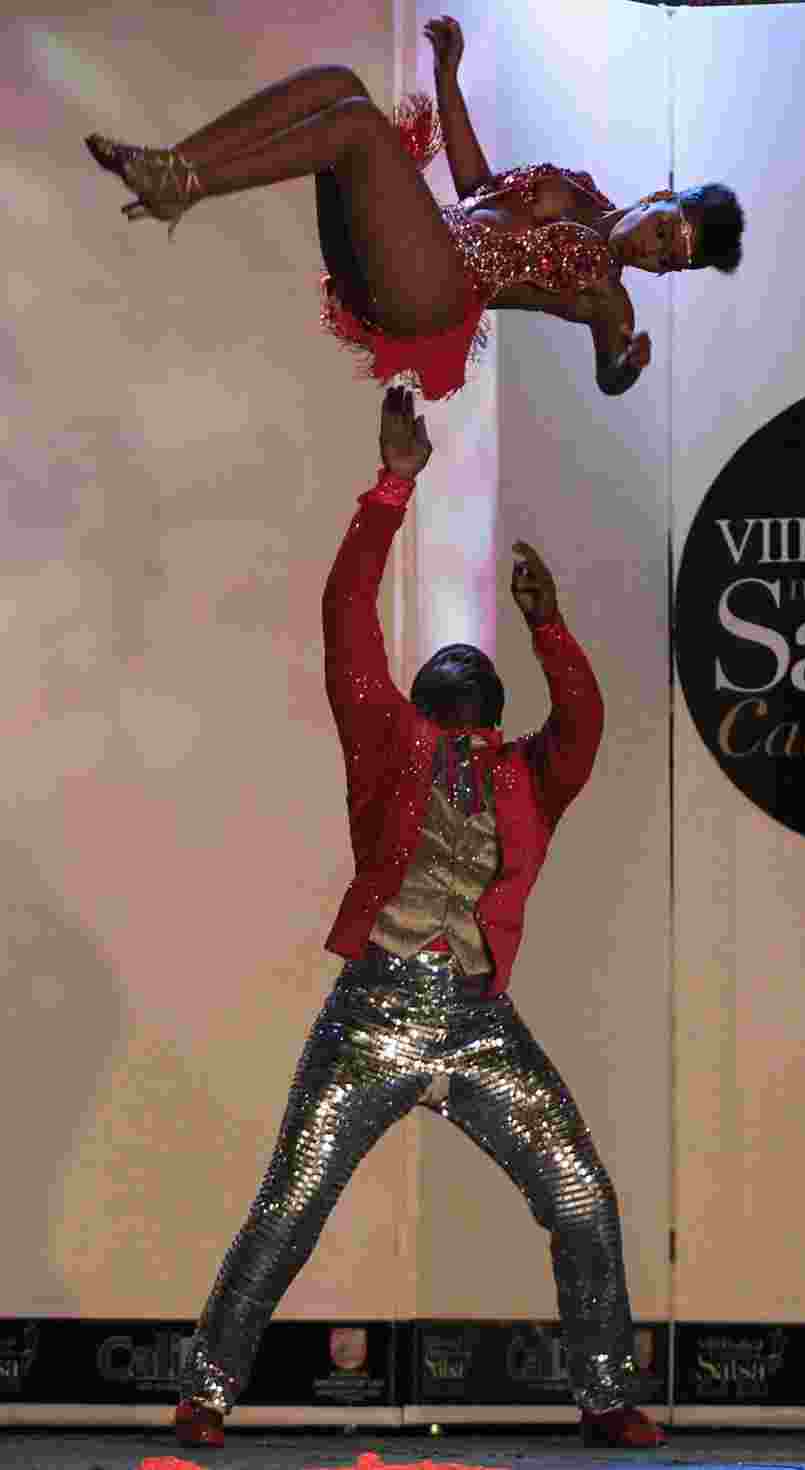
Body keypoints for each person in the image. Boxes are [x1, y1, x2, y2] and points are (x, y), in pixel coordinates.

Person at [172, 388, 665, 1451]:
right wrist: (390, 488)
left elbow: (582, 722)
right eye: (449, 670)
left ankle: (604, 1393)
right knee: (292, 1203)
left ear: (486, 707)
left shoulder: (529, 776)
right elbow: (347, 616)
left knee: (580, 1195)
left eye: (473, 677)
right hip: (372, 1018)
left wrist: (546, 625)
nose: (457, 672)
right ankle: (207, 1389)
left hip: (483, 1023)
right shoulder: (387, 749)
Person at [84, 16, 743, 400]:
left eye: (666, 263)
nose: (650, 253)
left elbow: (609, 372)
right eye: (664, 234)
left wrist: (624, 366)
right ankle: (177, 169)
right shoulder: (577, 186)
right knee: (340, 88)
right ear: (659, 197)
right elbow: (477, 185)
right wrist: (447, 79)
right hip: (398, 247)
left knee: (358, 127)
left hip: (429, 295)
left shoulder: (608, 298)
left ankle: (188, 185)